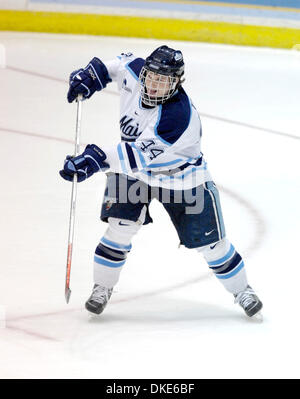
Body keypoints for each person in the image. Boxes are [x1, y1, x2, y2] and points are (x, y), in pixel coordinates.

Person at [60, 45, 263, 318]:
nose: (155, 85)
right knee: (119, 228)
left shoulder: (176, 116)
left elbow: (133, 156)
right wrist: (94, 74)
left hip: (182, 178)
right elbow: (118, 65)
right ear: (144, 72)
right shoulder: (134, 70)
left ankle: (242, 291)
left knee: (212, 245)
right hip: (134, 174)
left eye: (164, 81)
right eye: (152, 77)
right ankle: (102, 287)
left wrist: (93, 159)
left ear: (177, 82)